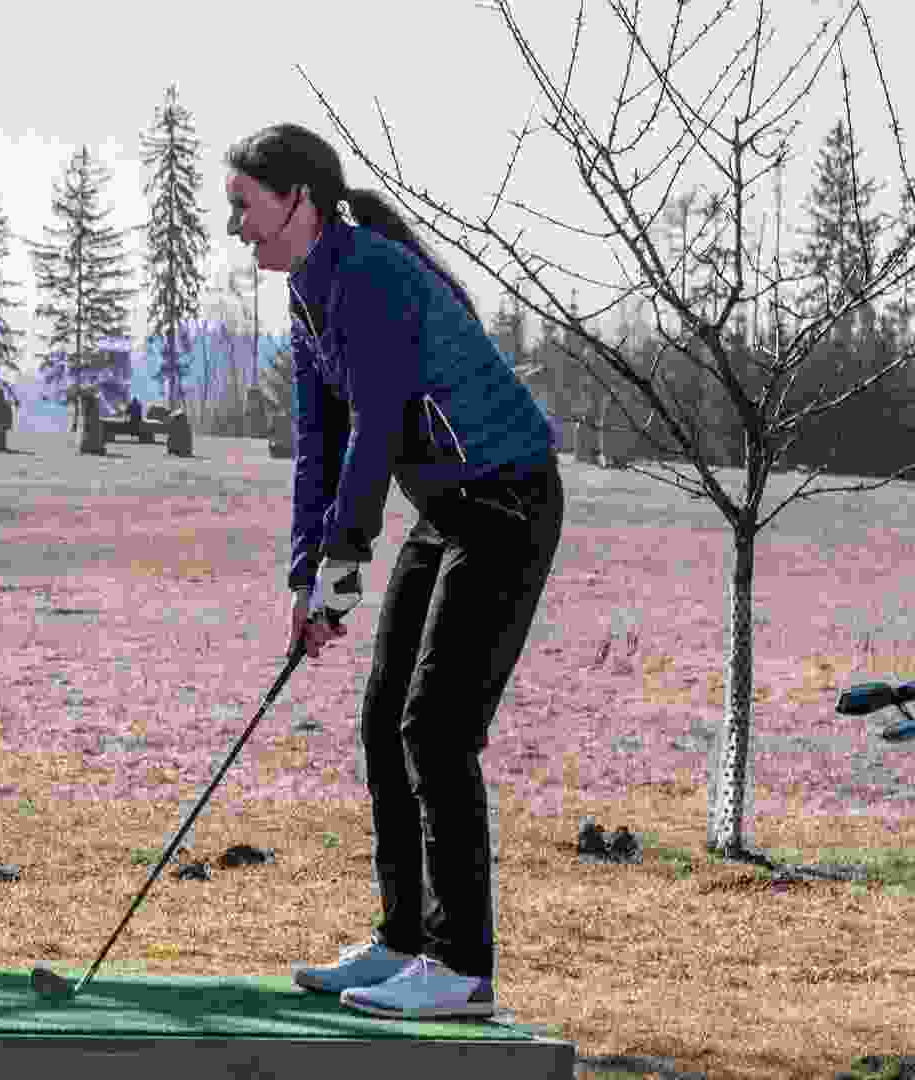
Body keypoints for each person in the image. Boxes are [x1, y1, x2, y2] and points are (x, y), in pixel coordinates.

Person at [223, 123, 564, 1020]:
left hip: (506, 503)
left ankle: (461, 967)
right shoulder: (309, 293)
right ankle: (406, 940)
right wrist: (307, 577)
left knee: (436, 729)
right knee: (386, 721)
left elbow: (373, 431)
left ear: (298, 200)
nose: (236, 227)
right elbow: (318, 443)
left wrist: (342, 569)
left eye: (245, 206)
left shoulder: (369, 275)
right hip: (448, 510)